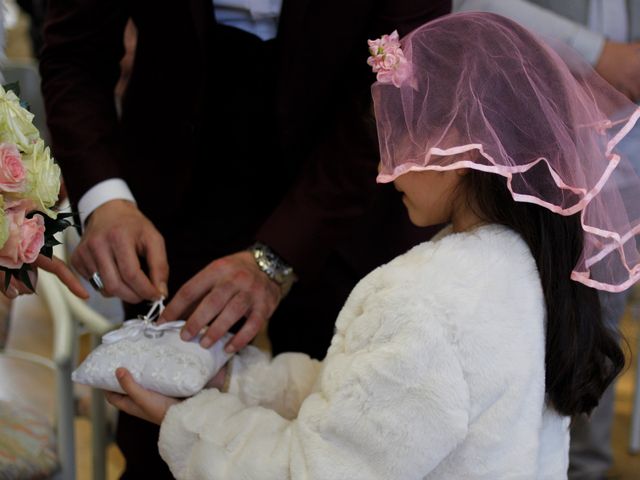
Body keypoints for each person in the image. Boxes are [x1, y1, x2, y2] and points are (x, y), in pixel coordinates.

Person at [105, 13, 638, 479]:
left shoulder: (423, 300)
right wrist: (240, 382)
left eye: (399, 136)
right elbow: (375, 405)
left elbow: (311, 470)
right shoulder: (530, 269)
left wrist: (185, 422)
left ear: (458, 147)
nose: (385, 170)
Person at [39, 1, 451, 477]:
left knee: (346, 422)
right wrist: (105, 198)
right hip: (179, 162)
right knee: (161, 423)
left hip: (348, 172)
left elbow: (393, 82)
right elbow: (74, 56)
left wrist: (277, 259)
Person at [450, 3, 640, 478]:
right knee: (522, 348)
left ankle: (583, 468)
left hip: (623, 158)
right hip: (530, 167)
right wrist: (598, 54)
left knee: (593, 344)